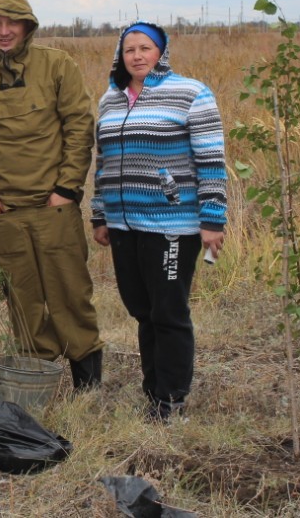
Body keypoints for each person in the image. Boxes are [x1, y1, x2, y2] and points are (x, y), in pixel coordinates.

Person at [0, 0, 104, 389]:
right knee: (24, 302)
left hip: (54, 208)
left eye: (12, 22)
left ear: (26, 26)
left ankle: (87, 385)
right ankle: (39, 383)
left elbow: (78, 126)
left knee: (71, 294)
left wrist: (66, 190)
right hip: (5, 214)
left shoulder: (57, 66)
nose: (3, 30)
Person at [91, 21, 227, 422]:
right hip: (122, 225)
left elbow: (211, 160)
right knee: (142, 310)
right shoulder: (110, 100)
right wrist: (99, 214)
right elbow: (103, 164)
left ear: (161, 53)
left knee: (168, 312)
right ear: (121, 54)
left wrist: (213, 219)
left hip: (172, 223)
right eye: (129, 49)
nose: (137, 55)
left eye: (145, 48)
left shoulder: (190, 94)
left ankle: (171, 400)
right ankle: (153, 392)